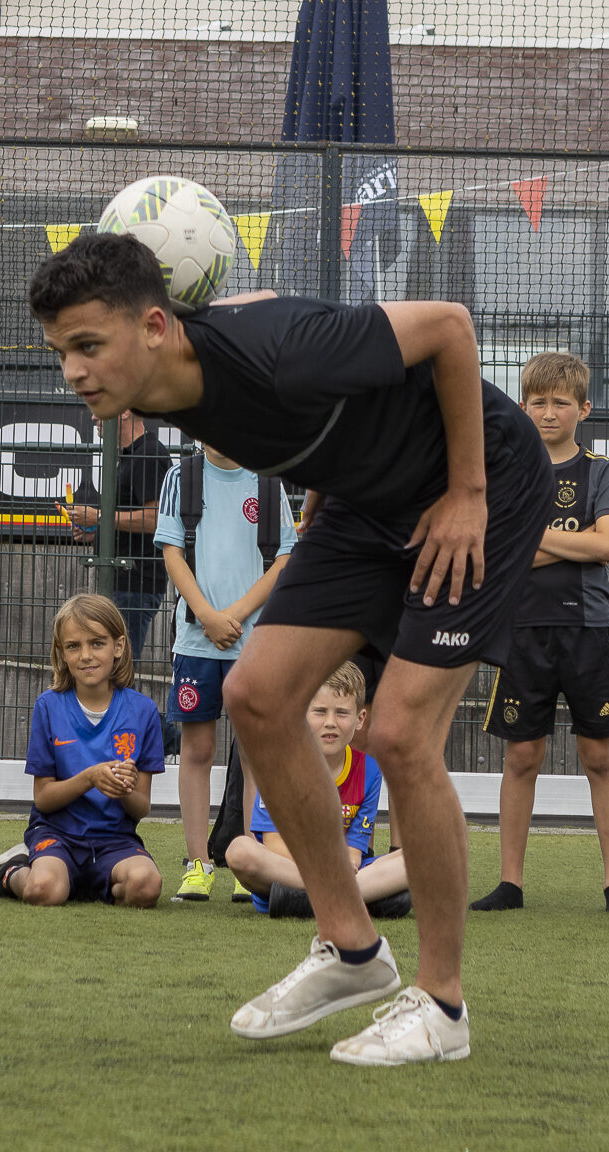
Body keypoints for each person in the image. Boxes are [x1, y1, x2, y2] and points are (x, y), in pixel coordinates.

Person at [29, 233, 554, 1065]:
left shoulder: (285, 353)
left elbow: (450, 328)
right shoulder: (157, 386)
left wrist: (467, 490)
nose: (75, 371)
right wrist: (323, 477)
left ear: (157, 325)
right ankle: (351, 951)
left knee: (398, 731)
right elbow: (311, 420)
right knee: (256, 695)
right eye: (62, 352)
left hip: (480, 486)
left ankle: (444, 1007)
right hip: (357, 505)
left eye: (90, 345)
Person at [473, 352, 609, 916]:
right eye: (538, 402)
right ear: (523, 407)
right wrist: (552, 545)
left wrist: (529, 541)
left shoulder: (601, 470)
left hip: (589, 629)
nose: (548, 412)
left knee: (600, 756)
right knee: (522, 756)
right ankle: (510, 883)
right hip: (520, 631)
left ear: (583, 409)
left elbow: (605, 546)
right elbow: (497, 554)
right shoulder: (506, 469)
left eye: (560, 403)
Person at [155, 442, 295, 902]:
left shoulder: (269, 482)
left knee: (255, 752)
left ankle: (247, 860)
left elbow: (284, 560)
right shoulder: (182, 478)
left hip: (254, 642)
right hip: (197, 641)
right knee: (196, 749)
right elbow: (173, 554)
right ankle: (198, 864)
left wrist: (234, 614)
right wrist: (207, 616)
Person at [0, 594, 164, 908]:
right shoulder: (49, 706)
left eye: (97, 643)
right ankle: (11, 871)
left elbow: (141, 808)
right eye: (74, 646)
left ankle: (86, 880)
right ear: (61, 653)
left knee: (146, 887)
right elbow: (43, 797)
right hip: (58, 834)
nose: (85, 655)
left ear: (119, 647)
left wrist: (123, 787)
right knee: (43, 891)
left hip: (115, 841)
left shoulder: (144, 712)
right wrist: (89, 778)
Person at [226, 662, 411, 920]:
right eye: (320, 711)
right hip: (289, 869)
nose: (330, 723)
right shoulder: (279, 768)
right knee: (240, 851)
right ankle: (358, 897)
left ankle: (305, 902)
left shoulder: (369, 770)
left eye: (342, 713)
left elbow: (355, 850)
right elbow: (274, 845)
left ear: (360, 720)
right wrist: (326, 872)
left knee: (424, 856)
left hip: (340, 872)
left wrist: (346, 866)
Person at [53, 409, 171, 661]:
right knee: (112, 668)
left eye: (100, 410)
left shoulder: (149, 453)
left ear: (125, 412)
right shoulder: (129, 457)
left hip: (136, 581)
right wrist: (96, 533)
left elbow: (156, 519)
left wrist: (98, 518)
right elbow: (130, 519)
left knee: (119, 668)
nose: (95, 418)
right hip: (123, 580)